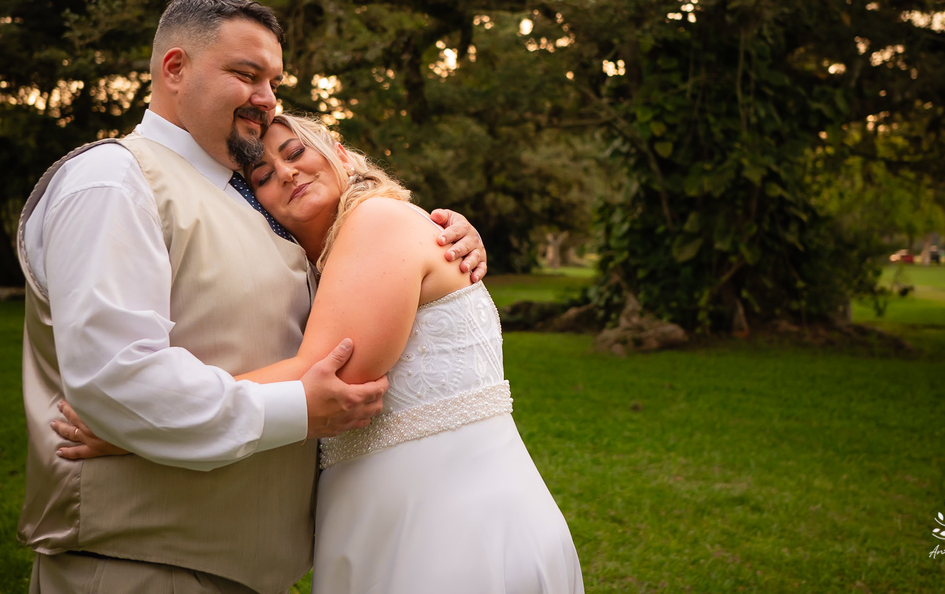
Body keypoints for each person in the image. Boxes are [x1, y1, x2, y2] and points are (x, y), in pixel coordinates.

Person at [17, 0, 486, 594]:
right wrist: (297, 408)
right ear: (175, 68)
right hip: (143, 564)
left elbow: (363, 287)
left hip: (248, 568)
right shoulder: (113, 180)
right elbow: (116, 379)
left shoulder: (253, 198)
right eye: (246, 74)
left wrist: (441, 243)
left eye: (274, 81)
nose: (266, 98)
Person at [60, 112, 584, 594]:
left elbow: (326, 379)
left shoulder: (377, 222)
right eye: (263, 176)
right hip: (382, 514)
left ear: (339, 153)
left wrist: (144, 421)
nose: (286, 173)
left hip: (449, 525)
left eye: (295, 153)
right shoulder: (326, 261)